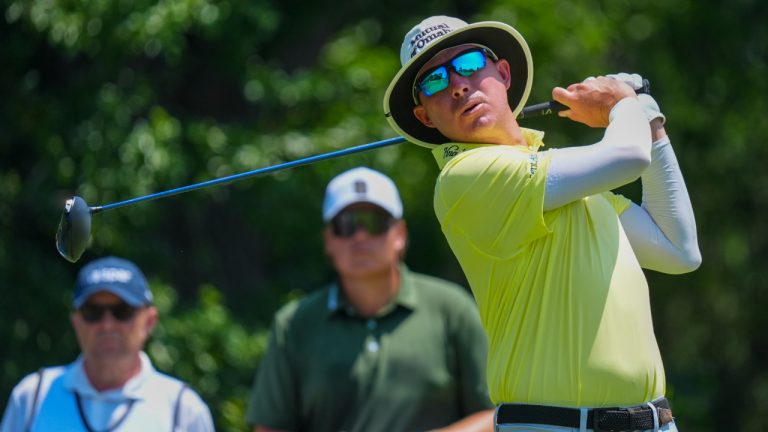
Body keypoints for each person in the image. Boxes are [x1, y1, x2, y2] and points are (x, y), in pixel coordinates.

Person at [383, 15, 702, 432]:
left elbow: (679, 250)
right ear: (425, 116)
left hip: (654, 422)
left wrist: (651, 122)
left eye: (467, 65)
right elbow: (628, 156)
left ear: (503, 73)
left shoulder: (572, 185)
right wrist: (623, 103)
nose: (457, 85)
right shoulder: (464, 177)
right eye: (434, 82)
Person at [245, 166, 495, 432]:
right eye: (346, 225)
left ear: (400, 234)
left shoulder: (453, 309)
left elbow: (498, 414)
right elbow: (270, 427)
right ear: (328, 240)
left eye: (374, 222)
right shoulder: (293, 324)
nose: (360, 236)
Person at [0, 256, 215, 432]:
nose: (107, 325)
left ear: (149, 321)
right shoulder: (32, 396)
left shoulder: (183, 410)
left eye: (122, 311)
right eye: (92, 312)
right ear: (75, 321)